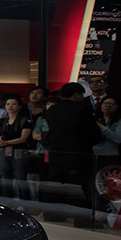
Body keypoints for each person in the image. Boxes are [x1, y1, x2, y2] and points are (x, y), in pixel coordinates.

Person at [43, 82, 100, 217]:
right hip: (79, 155)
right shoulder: (82, 109)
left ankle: (52, 214)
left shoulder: (52, 110)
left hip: (56, 153)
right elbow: (93, 134)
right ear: (76, 95)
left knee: (55, 186)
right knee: (79, 187)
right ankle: (80, 217)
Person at [0, 93, 32, 201]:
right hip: (3, 152)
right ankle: (6, 202)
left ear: (19, 107)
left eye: (14, 104)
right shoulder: (1, 121)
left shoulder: (24, 121)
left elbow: (23, 138)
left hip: (19, 152)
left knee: (20, 179)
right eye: (8, 104)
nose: (10, 106)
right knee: (5, 179)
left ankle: (24, 203)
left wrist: (7, 142)